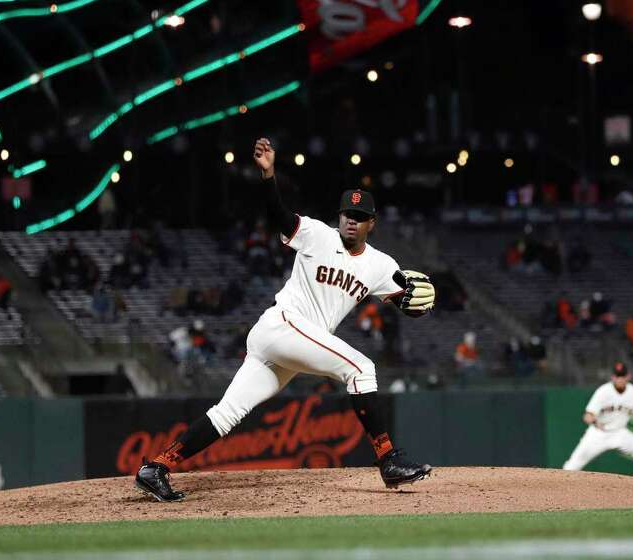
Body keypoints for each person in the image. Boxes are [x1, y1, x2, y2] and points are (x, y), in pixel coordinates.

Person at [134, 137, 435, 502]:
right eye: (346, 215)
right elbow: (278, 214)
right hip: (284, 324)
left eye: (358, 217)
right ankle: (389, 459)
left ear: (372, 222)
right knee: (361, 369)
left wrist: (416, 302)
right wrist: (269, 175)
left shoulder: (381, 265)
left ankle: (157, 467)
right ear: (338, 216)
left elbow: (407, 297)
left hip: (291, 344)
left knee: (228, 413)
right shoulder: (317, 235)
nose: (350, 222)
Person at [562, 362, 633, 477]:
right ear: (613, 377)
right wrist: (596, 422)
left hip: (620, 433)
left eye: (622, 376)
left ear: (628, 376)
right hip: (598, 434)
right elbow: (587, 416)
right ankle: (559, 489)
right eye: (617, 376)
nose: (620, 379)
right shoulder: (603, 391)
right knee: (571, 467)